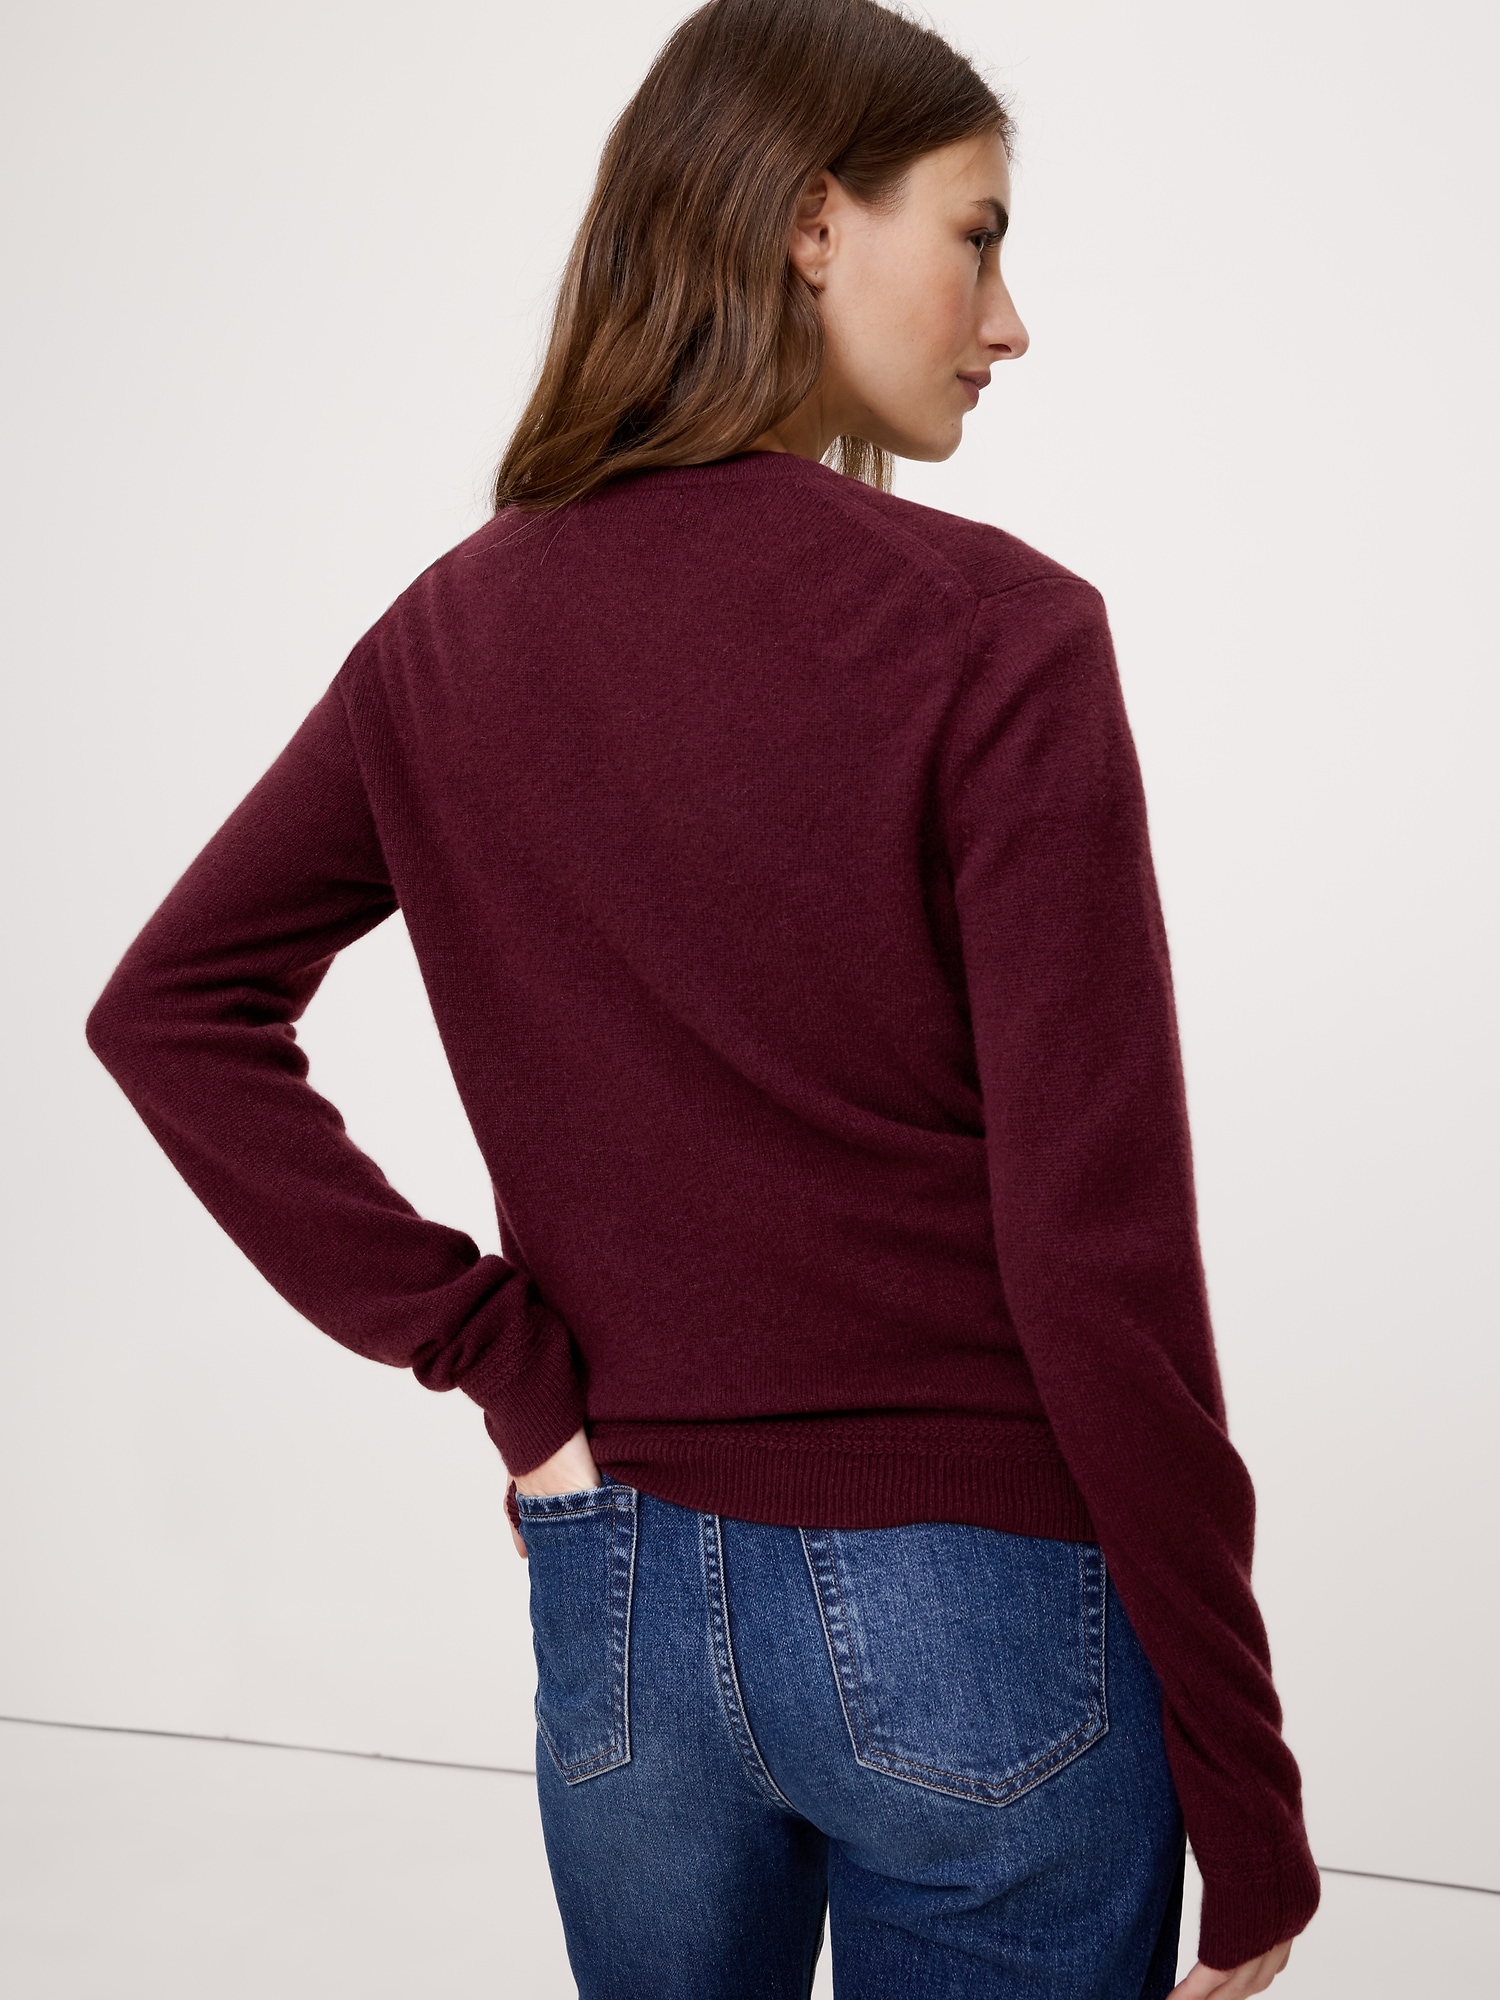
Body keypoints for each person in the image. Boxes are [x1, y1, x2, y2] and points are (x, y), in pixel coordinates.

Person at [84, 1, 1321, 1994]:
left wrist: (506, 1364)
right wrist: (1247, 1791)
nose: (1009, 323)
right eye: (979, 237)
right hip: (984, 1617)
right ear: (814, 223)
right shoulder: (997, 635)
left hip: (624, 1598)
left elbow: (167, 1009)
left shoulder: (448, 636)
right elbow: (1099, 1262)